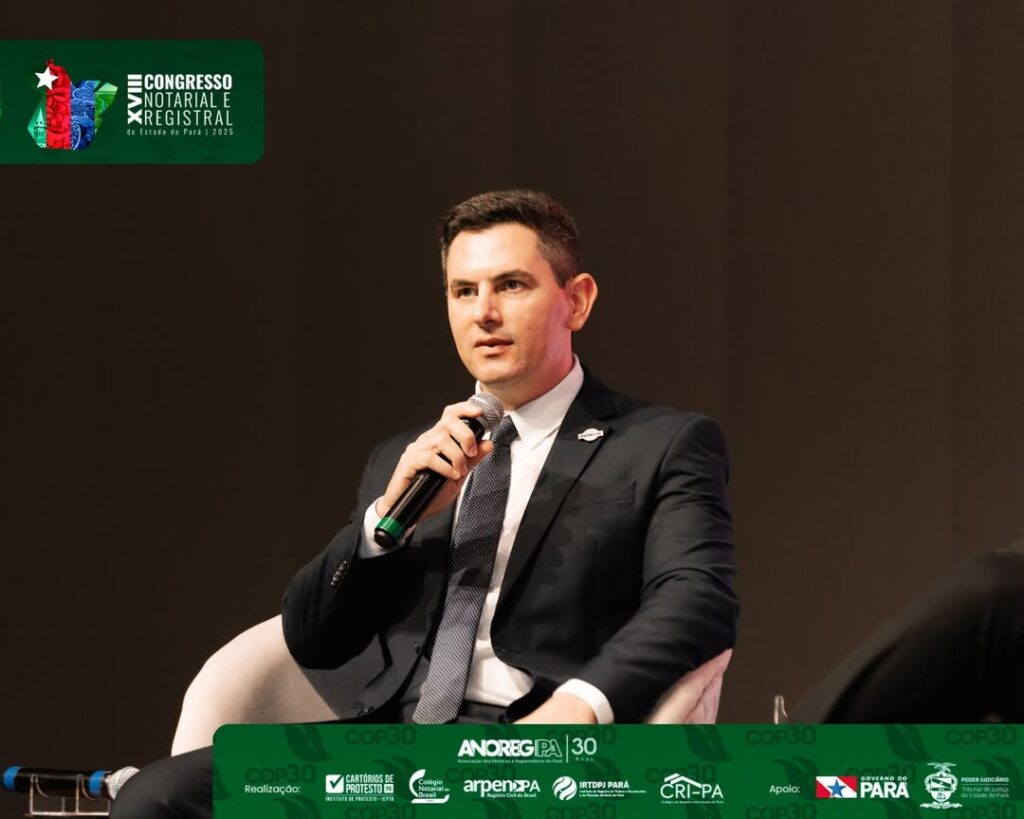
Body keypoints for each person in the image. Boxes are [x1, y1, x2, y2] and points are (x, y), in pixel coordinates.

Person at [112, 189, 739, 817]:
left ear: (576, 300)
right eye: (463, 291)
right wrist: (382, 526)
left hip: (534, 750)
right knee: (157, 797)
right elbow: (314, 640)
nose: (483, 313)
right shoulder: (408, 457)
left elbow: (697, 601)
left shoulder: (659, 443)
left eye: (511, 285)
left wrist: (578, 706)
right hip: (395, 749)